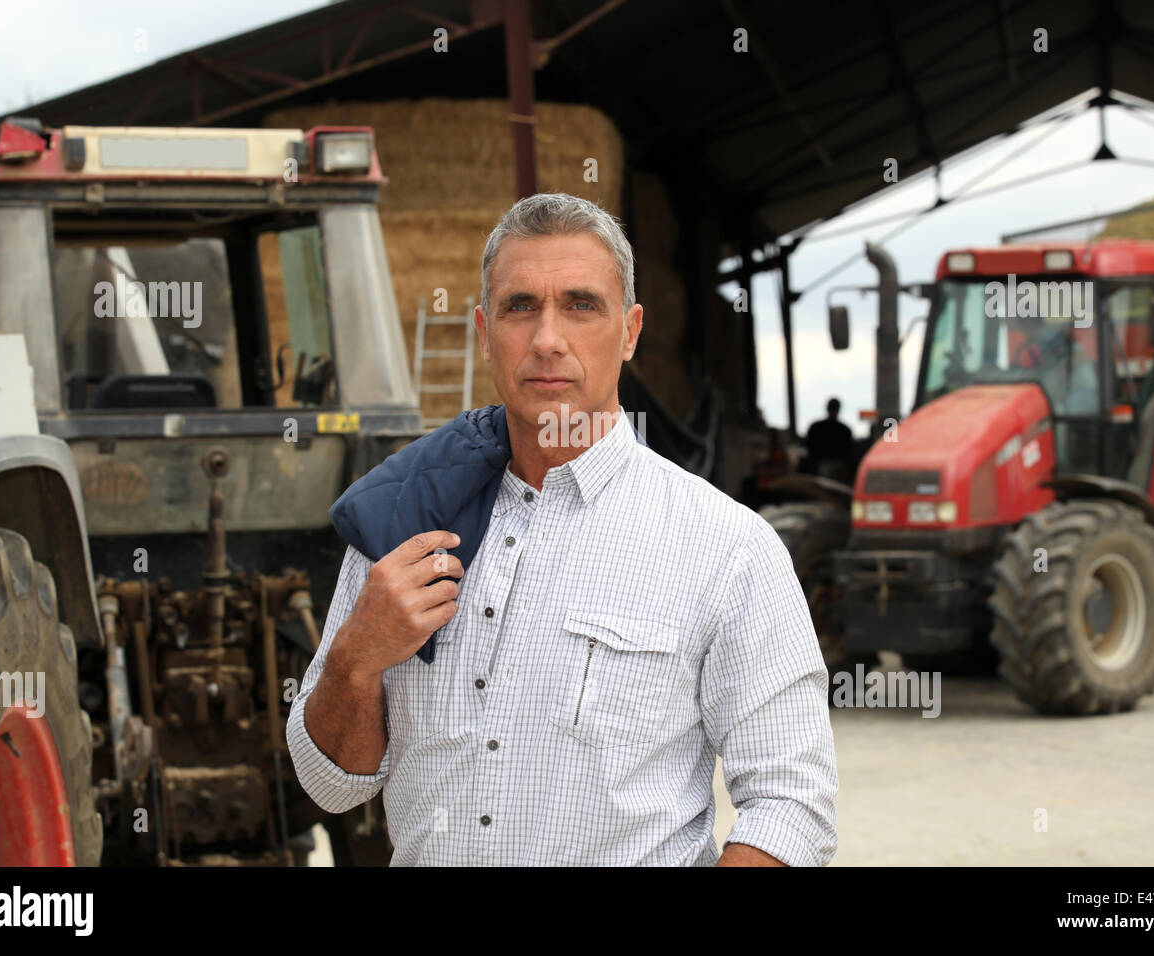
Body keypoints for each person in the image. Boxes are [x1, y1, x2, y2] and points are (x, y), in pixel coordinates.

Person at [286, 192, 838, 866]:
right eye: (521, 307)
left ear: (631, 331)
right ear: (486, 334)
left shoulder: (727, 548)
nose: (548, 339)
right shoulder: (407, 519)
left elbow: (791, 805)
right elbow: (330, 785)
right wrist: (357, 656)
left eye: (581, 305)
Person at [802, 398, 854, 480]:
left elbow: (809, 447)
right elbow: (849, 452)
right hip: (837, 466)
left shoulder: (815, 427)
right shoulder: (845, 430)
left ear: (827, 408)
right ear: (839, 409)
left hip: (820, 465)